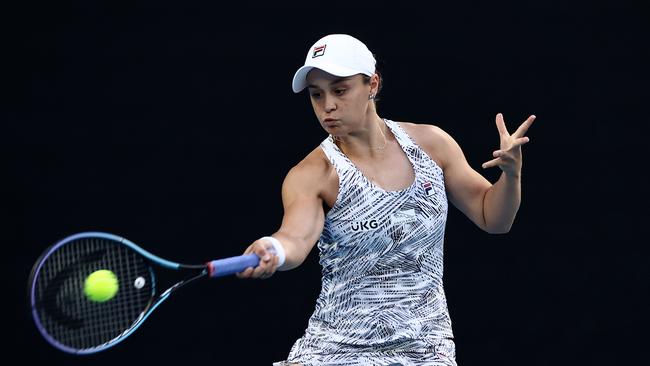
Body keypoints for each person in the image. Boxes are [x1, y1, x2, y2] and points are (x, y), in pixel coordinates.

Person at [236, 34, 535, 366]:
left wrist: (511, 175)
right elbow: (295, 236)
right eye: (316, 95)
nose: (327, 106)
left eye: (339, 90)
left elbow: (493, 218)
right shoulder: (313, 174)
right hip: (334, 351)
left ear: (372, 84)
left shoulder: (432, 145)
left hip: (425, 349)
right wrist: (273, 249)